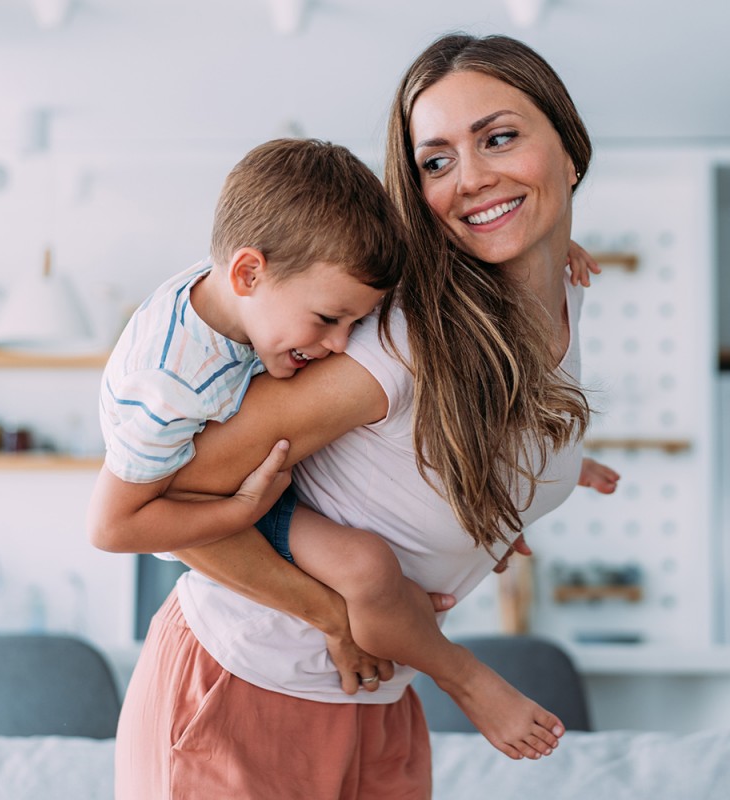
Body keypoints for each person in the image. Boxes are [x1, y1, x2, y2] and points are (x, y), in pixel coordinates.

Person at [111, 32, 616, 800]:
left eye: (501, 138)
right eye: (436, 162)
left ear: (569, 149)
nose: (473, 178)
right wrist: (331, 613)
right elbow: (167, 496)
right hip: (247, 681)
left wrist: (510, 504)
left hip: (377, 697)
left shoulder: (561, 298)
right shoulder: (393, 342)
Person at [88, 135, 601, 698]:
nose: (338, 344)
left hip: (321, 628)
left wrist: (551, 242)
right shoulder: (169, 390)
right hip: (207, 534)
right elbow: (113, 527)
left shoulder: (255, 284)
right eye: (329, 319)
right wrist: (242, 509)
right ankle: (462, 680)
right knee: (366, 569)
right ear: (248, 274)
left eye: (354, 324)